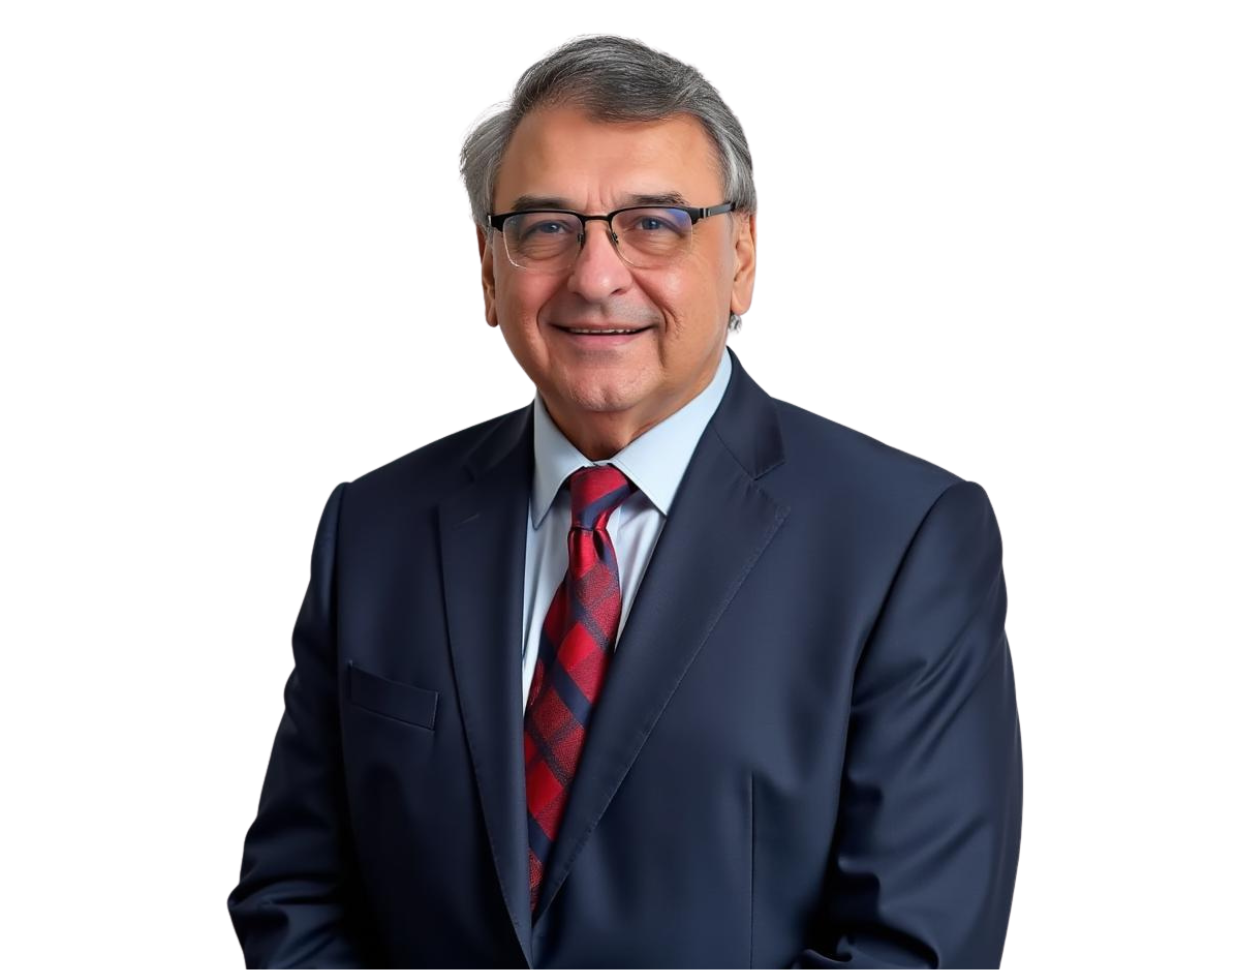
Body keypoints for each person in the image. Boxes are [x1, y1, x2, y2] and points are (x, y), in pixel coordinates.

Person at [226, 32, 1022, 969]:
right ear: (488, 269)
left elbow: (913, 946)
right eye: (546, 226)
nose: (597, 276)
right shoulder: (374, 525)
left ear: (742, 256)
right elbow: (294, 896)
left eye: (653, 222)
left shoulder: (908, 538)